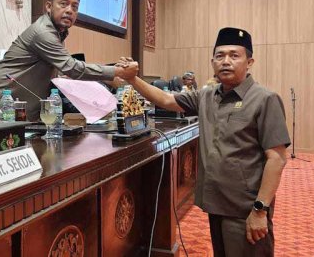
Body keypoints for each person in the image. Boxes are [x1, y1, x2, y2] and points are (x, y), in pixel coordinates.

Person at [117, 27, 290, 257]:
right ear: (212, 62)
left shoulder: (265, 99)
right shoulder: (207, 95)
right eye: (220, 56)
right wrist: (132, 79)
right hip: (216, 204)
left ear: (249, 62)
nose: (226, 61)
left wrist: (260, 209)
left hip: (245, 209)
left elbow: (276, 159)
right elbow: (166, 99)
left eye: (234, 55)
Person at [0, 0, 137, 120]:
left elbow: (64, 71)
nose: (69, 10)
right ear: (49, 6)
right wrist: (118, 71)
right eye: (63, 4)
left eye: (75, 7)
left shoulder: (57, 33)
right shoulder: (42, 32)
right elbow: (72, 67)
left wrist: (106, 77)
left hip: (19, 113)